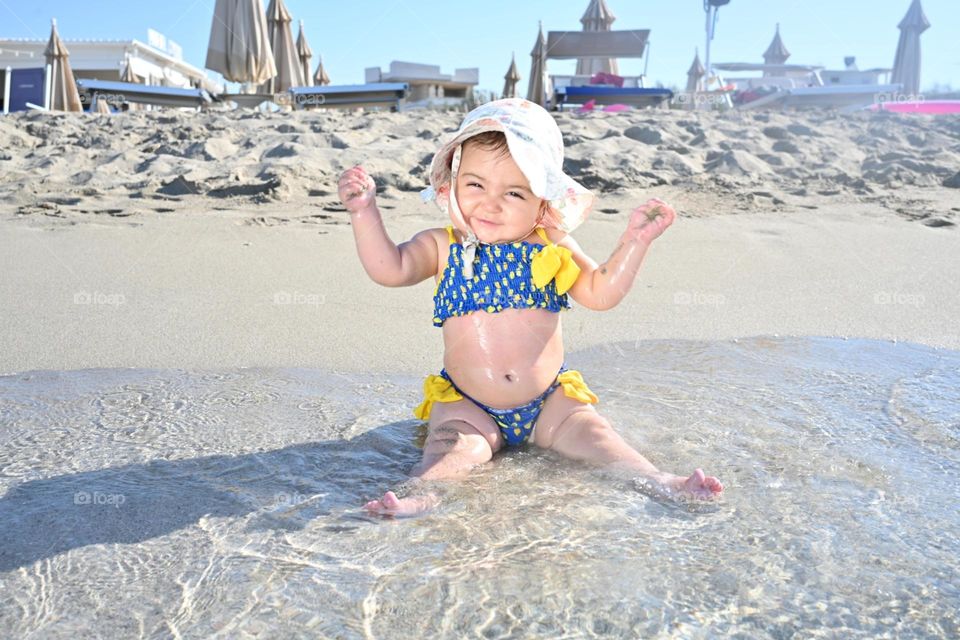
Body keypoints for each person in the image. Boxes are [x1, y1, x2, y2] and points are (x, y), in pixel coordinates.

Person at [337, 98, 723, 516]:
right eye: (476, 185)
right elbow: (389, 269)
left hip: (549, 403)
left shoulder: (552, 246)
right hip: (469, 404)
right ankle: (424, 495)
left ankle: (658, 480)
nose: (490, 203)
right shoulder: (441, 245)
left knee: (598, 436)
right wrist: (364, 212)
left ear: (543, 203)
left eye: (514, 192)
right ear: (451, 184)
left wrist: (635, 241)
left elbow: (600, 293)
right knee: (451, 451)